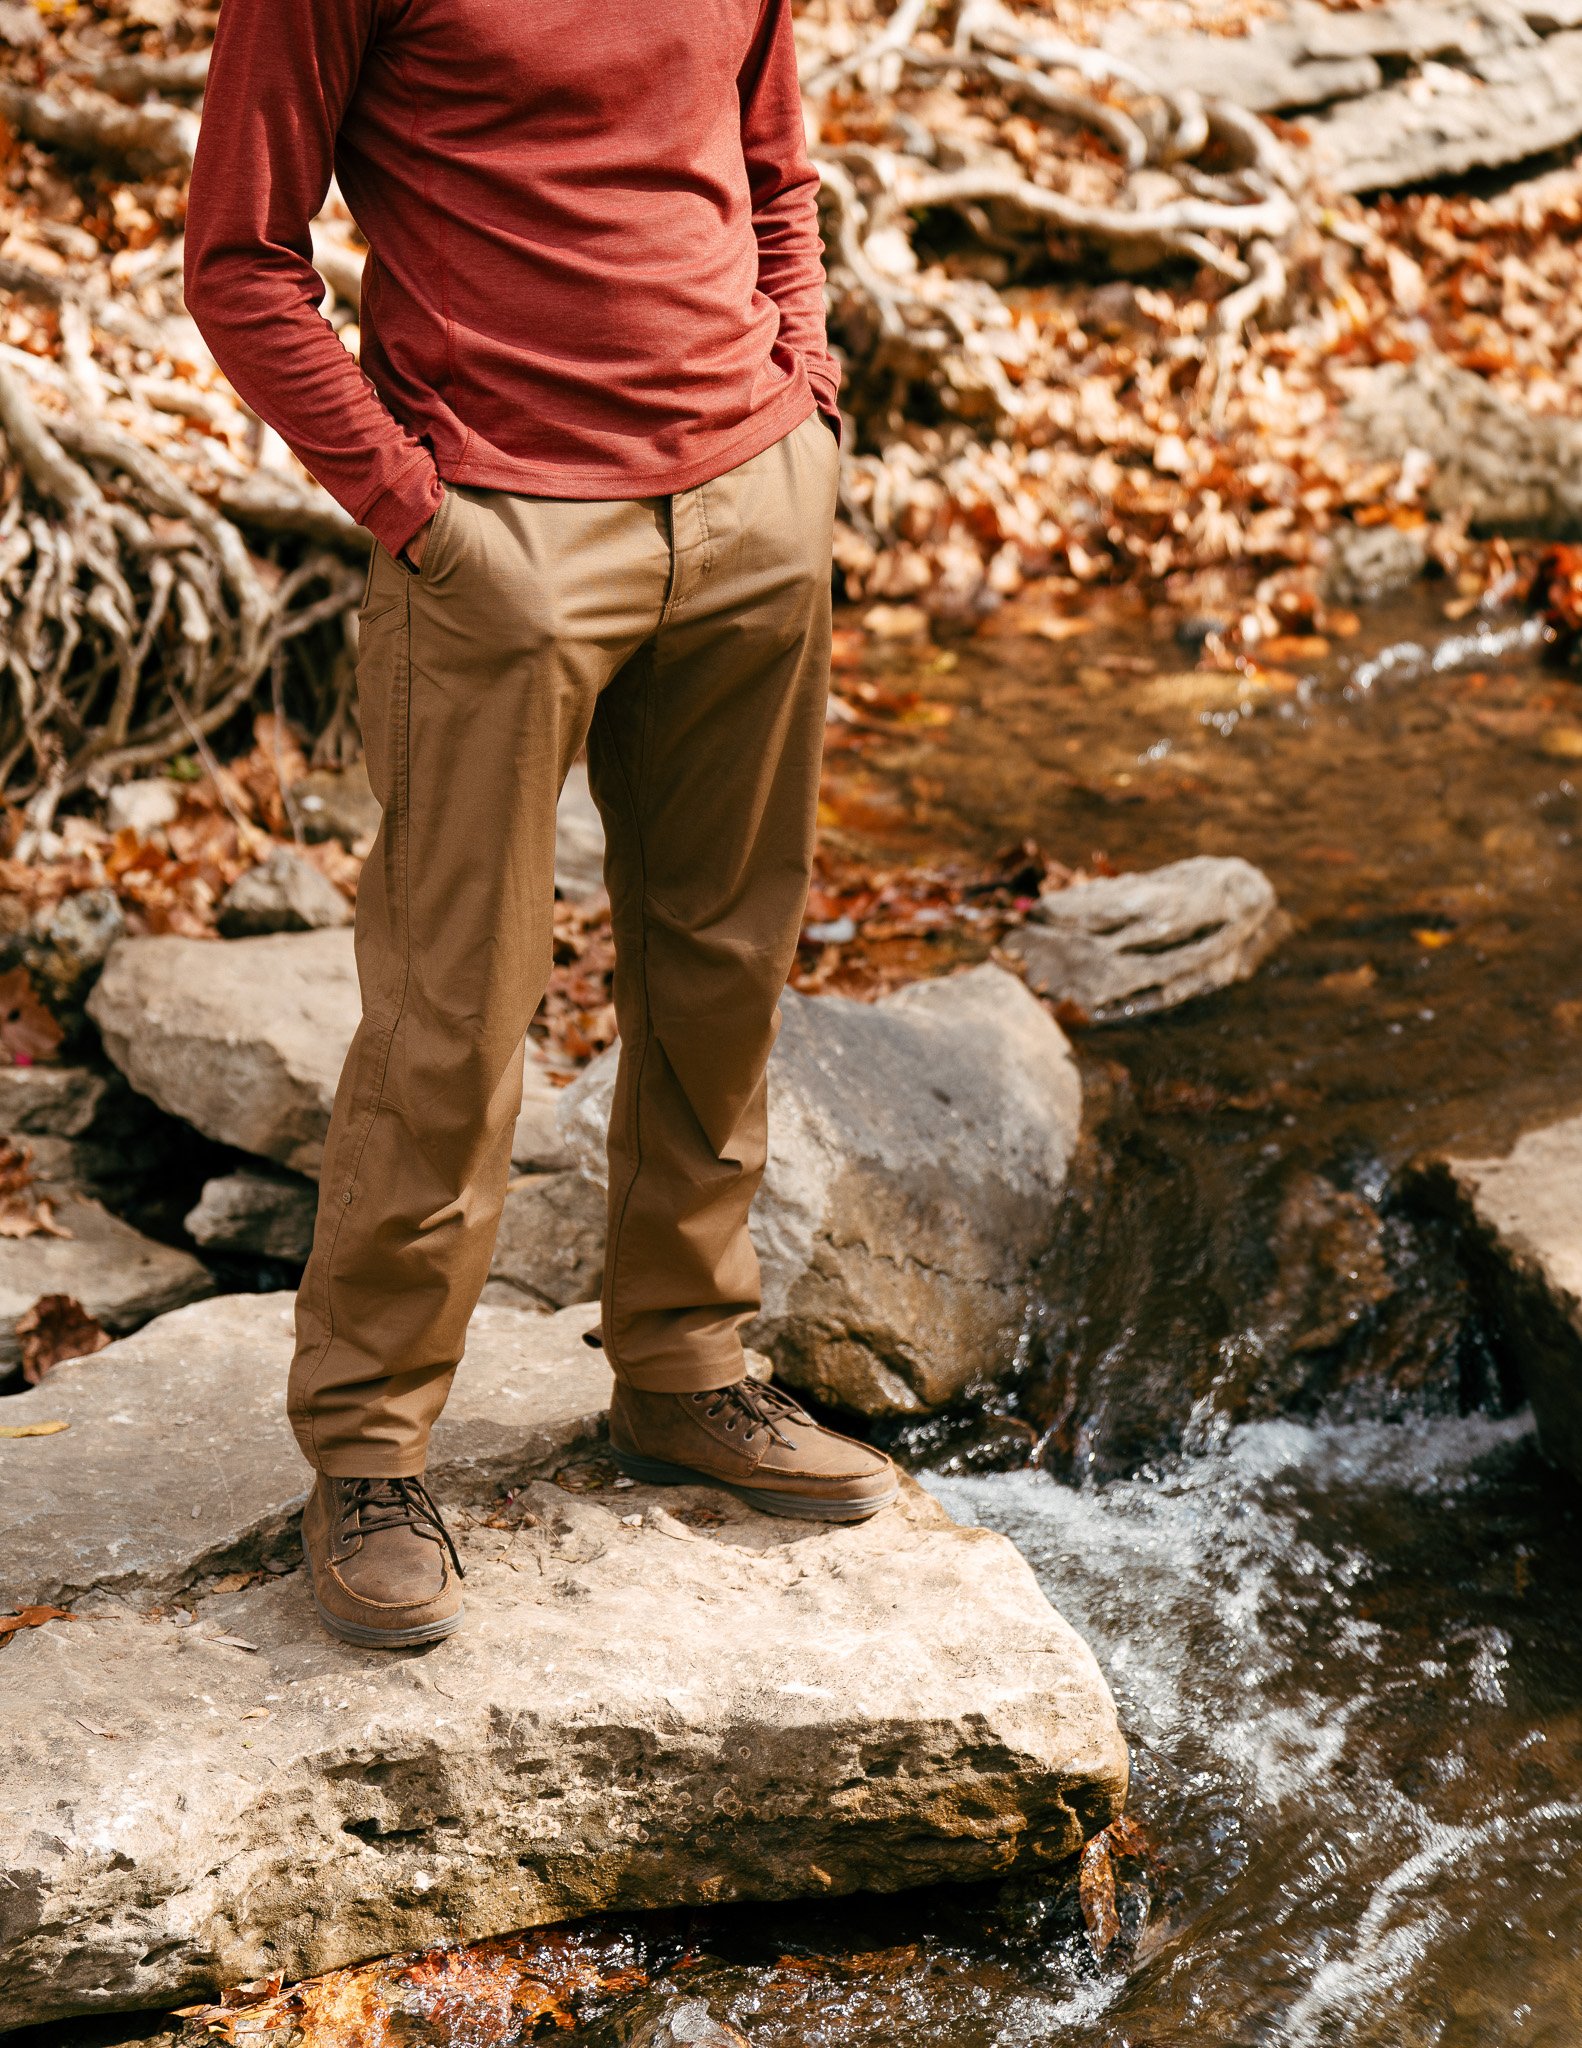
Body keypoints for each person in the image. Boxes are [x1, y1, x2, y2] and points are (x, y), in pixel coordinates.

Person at [184, 0, 899, 1650]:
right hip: (500, 540)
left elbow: (773, 169)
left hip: (753, 504)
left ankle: (684, 1368)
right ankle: (369, 1451)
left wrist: (804, 392)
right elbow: (240, 259)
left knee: (723, 966)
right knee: (453, 1009)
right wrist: (414, 510)